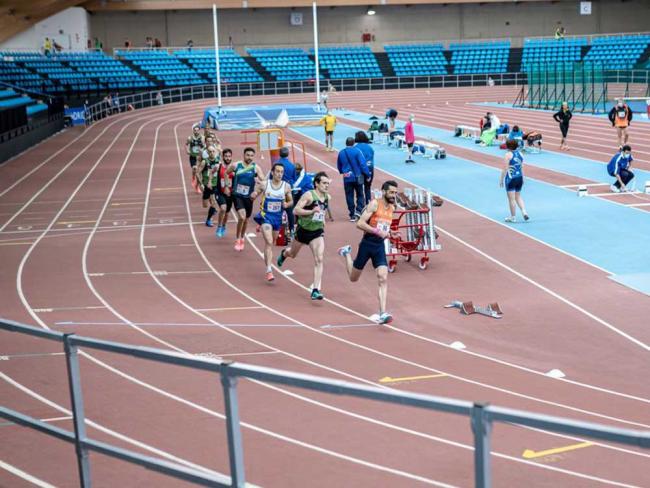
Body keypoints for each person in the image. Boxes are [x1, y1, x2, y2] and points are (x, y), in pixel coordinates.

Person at [337, 180, 398, 325]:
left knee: (383, 277)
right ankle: (346, 253)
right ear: (384, 192)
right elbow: (360, 224)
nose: (393, 195)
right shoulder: (374, 204)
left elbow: (384, 228)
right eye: (391, 192)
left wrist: (390, 234)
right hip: (367, 244)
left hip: (379, 247)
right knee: (353, 278)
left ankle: (382, 312)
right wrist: (377, 231)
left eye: (395, 193)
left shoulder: (392, 208)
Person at [277, 172, 331, 300]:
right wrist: (311, 211)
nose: (326, 186)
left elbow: (322, 211)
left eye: (328, 183)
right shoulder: (309, 195)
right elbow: (296, 210)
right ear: (316, 184)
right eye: (324, 183)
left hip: (317, 232)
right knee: (293, 254)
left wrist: (322, 220)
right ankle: (285, 253)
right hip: (303, 231)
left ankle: (316, 290)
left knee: (319, 259)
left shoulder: (327, 197)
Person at [254, 163, 293, 281]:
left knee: (273, 241)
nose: (279, 174)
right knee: (269, 242)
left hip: (277, 218)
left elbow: (291, 201)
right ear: (272, 172)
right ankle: (269, 270)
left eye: (281, 172)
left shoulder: (286, 186)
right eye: (277, 171)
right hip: (266, 216)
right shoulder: (265, 185)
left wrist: (287, 204)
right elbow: (256, 193)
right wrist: (254, 194)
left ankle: (267, 258)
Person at [227, 147, 265, 251]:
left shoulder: (256, 168)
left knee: (246, 220)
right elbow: (226, 172)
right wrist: (227, 185)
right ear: (244, 155)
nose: (249, 157)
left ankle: (242, 238)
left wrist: (256, 190)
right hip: (237, 195)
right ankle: (237, 238)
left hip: (248, 198)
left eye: (251, 155)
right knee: (242, 217)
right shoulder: (236, 165)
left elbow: (264, 181)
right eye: (247, 155)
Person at [337, 137, 369, 222]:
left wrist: (342, 172)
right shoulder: (357, 151)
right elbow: (363, 164)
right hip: (358, 176)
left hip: (347, 177)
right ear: (354, 143)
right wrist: (367, 174)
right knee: (360, 194)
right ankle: (358, 211)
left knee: (349, 195)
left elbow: (339, 165)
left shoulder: (341, 153)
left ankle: (352, 213)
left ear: (345, 143)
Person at [500, 139, 529, 223]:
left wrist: (501, 179)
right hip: (519, 177)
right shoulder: (521, 154)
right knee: (518, 196)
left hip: (511, 179)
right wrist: (523, 177)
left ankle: (513, 217)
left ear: (508, 146)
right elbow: (522, 166)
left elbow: (505, 169)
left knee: (511, 199)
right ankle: (524, 212)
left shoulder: (507, 155)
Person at [196, 145, 221, 227]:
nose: (212, 153)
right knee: (205, 205)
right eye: (210, 151)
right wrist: (201, 184)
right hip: (207, 184)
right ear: (207, 152)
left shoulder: (218, 161)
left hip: (215, 184)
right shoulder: (205, 162)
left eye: (213, 151)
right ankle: (212, 206)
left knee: (214, 202)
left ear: (215, 152)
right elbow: (198, 172)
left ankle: (208, 220)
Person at [275, 147, 297, 236]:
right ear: (288, 154)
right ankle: (291, 230)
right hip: (288, 189)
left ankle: (277, 229)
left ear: (279, 154)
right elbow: (294, 178)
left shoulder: (276, 164)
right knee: (290, 210)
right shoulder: (292, 165)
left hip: (278, 188)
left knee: (277, 210)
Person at [214, 148, 234, 238]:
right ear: (223, 157)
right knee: (223, 208)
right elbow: (211, 173)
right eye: (226, 156)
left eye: (229, 156)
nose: (228, 158)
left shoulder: (234, 167)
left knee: (227, 212)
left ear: (231, 157)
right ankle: (219, 226)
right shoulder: (218, 166)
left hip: (230, 193)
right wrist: (210, 181)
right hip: (220, 192)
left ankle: (224, 226)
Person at [354, 131, 374, 205]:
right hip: (370, 170)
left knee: (359, 189)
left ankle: (361, 206)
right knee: (368, 188)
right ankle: (368, 204)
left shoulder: (356, 148)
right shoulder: (370, 148)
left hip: (359, 171)